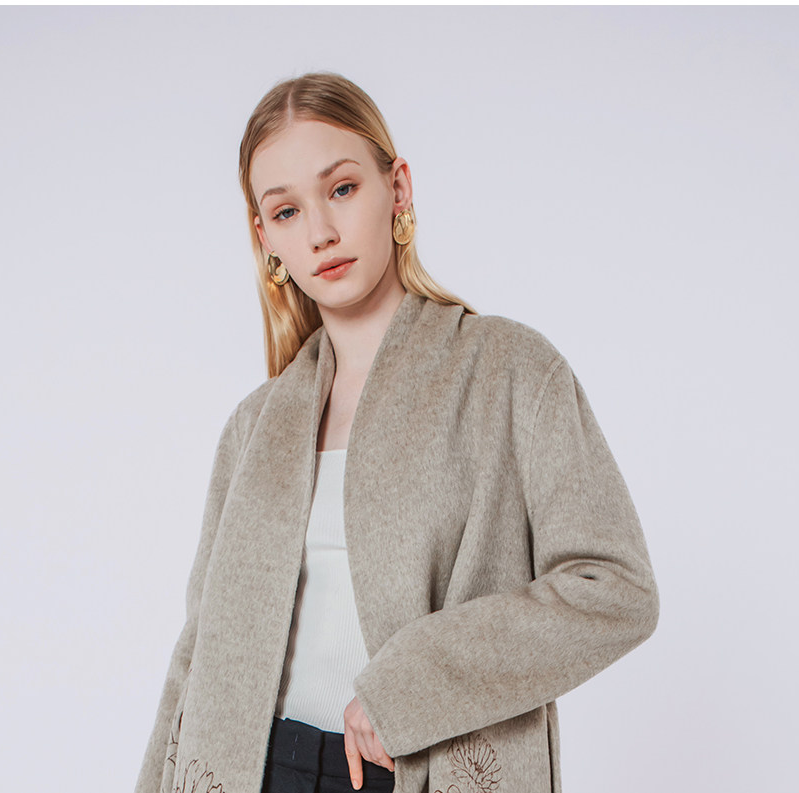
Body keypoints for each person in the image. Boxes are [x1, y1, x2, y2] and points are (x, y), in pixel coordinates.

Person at [135, 72, 659, 793]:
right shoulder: (252, 429)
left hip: (414, 769)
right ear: (266, 237)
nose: (320, 231)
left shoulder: (509, 372)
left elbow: (616, 589)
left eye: (342, 188)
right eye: (286, 210)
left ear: (398, 188)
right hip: (255, 771)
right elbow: (196, 652)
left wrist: (408, 686)